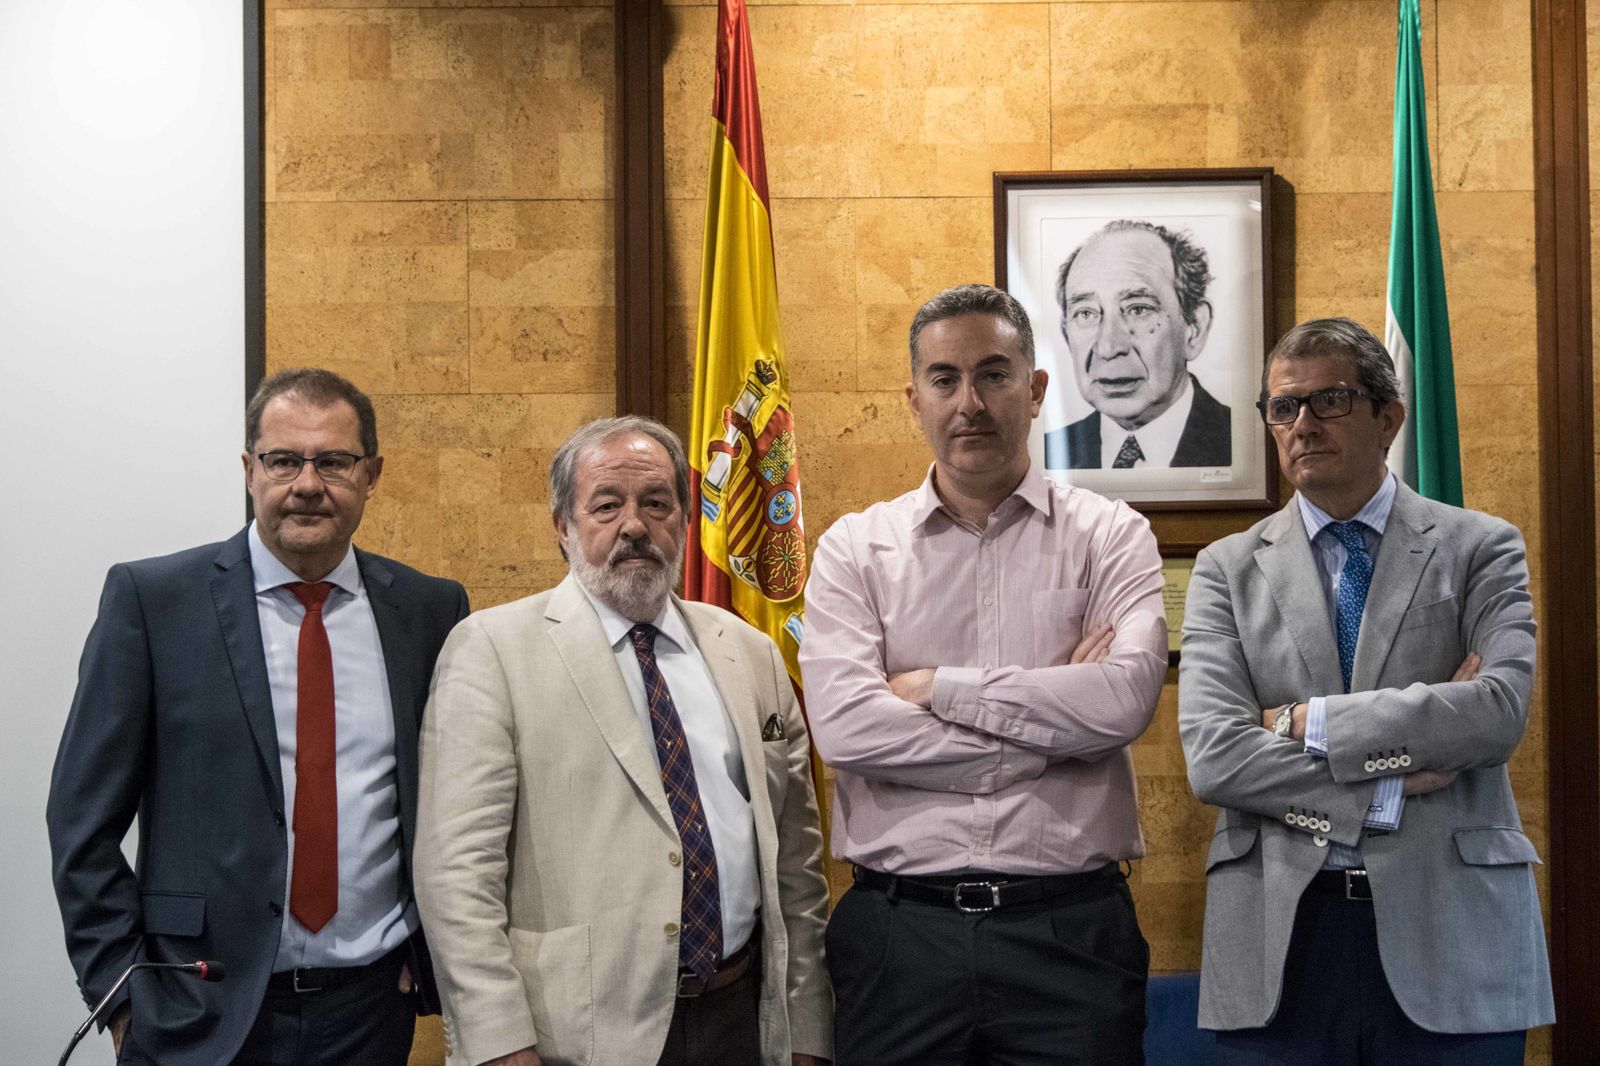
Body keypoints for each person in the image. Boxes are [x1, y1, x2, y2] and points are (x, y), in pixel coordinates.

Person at [48, 368, 470, 1066]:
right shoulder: (153, 602)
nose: (307, 483)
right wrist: (122, 996)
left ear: (372, 475)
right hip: (195, 1012)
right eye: (283, 460)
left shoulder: (430, 610)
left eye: (333, 461)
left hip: (369, 1013)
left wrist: (427, 951)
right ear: (249, 470)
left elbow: (455, 802)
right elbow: (80, 822)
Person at [799, 284, 1167, 1065]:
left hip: (1070, 936)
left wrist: (937, 688)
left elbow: (1124, 702)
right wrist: (1050, 736)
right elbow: (847, 731)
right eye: (945, 379)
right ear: (915, 400)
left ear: (1035, 390)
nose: (969, 402)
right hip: (899, 939)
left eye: (994, 374)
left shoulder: (1112, 536)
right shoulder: (853, 551)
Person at [1178, 317, 1552, 1064]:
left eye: (1330, 400)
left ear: (1389, 418)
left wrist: (1301, 720)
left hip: (1454, 932)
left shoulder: (1481, 546)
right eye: (1283, 407)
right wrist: (1383, 788)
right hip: (1283, 940)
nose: (1303, 424)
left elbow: (1495, 713)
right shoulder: (1225, 568)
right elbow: (1216, 759)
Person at [413, 416, 832, 1066]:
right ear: (563, 526)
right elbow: (457, 876)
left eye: (656, 504)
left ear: (685, 522)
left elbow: (797, 866)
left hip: (742, 1019)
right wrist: (499, 1044)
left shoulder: (750, 654)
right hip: (574, 1036)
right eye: (606, 506)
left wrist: (807, 1032)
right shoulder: (492, 650)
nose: (634, 525)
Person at [1043, 219, 1231, 470]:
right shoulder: (1046, 457)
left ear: (1194, 328)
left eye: (1138, 309)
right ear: (1066, 333)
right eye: (1086, 313)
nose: (1109, 348)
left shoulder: (1240, 444)